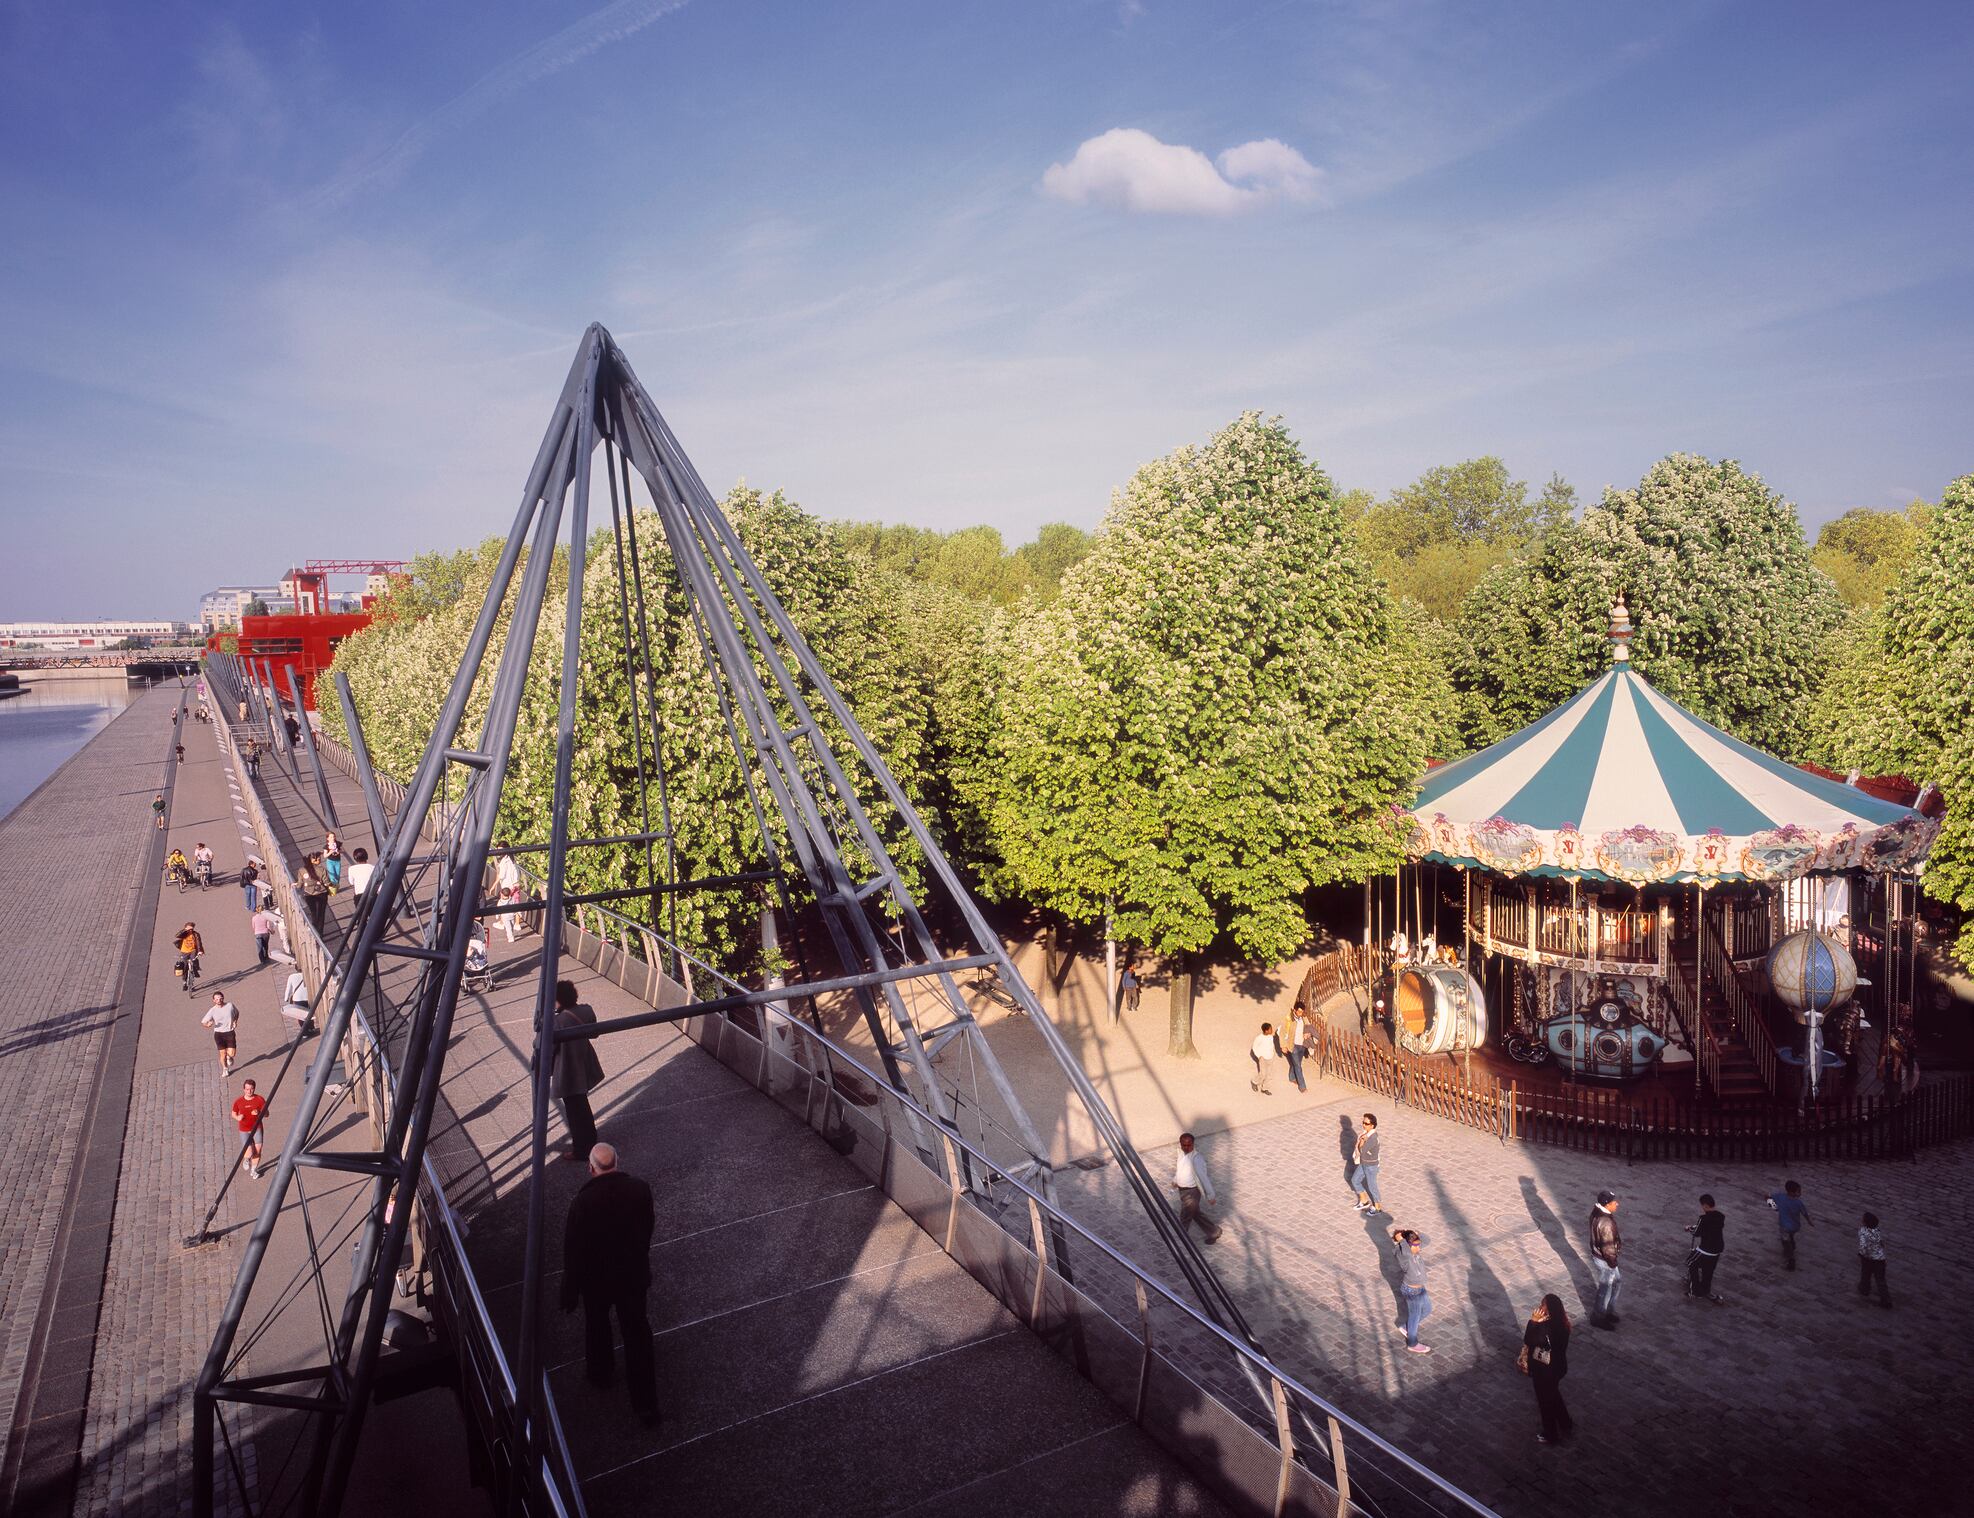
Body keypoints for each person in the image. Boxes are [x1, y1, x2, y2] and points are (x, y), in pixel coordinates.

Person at [560, 1143, 659, 1425]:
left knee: (598, 1324)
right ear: (618, 1161)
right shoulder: (640, 1189)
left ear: (590, 1168)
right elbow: (647, 1227)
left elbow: (573, 1249)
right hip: (632, 1275)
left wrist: (571, 1289)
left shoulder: (582, 1203)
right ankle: (646, 1406)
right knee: (637, 1332)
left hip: (597, 1281)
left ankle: (601, 1373)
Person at [550, 980, 605, 1161]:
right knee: (582, 1106)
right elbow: (595, 1033)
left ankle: (581, 1149)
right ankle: (590, 1140)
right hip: (583, 1063)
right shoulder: (586, 1011)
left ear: (559, 1000)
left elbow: (549, 1048)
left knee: (574, 1112)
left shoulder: (558, 1021)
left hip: (567, 1069)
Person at [1521, 1294, 1573, 1443]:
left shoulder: (1544, 1328)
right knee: (1554, 1394)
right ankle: (1565, 1422)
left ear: (1549, 1309)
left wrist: (1533, 1322)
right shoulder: (1564, 1324)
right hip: (1559, 1368)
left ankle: (1550, 1434)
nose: (1540, 1307)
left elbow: (1529, 1340)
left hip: (1544, 1371)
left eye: (1543, 1305)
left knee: (1545, 1402)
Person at [1171, 1132, 1222, 1243]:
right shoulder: (1181, 1154)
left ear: (1193, 1144)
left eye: (1189, 1145)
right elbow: (1181, 1170)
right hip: (1182, 1190)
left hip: (1192, 1192)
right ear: (1180, 1144)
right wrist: (1175, 1180)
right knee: (1194, 1213)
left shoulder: (1197, 1159)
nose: (1186, 1147)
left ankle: (1182, 1238)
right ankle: (1214, 1231)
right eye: (1184, 1145)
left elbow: (1204, 1178)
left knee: (1185, 1215)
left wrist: (1210, 1195)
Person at [1390, 1226, 1433, 1353]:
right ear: (1407, 1245)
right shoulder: (1403, 1254)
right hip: (1411, 1291)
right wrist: (1401, 1240)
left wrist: (1417, 1233)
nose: (1418, 1248)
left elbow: (1427, 1240)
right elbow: (1407, 1252)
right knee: (1415, 1316)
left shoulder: (1413, 1250)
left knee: (1427, 1309)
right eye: (1415, 1245)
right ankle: (1412, 1343)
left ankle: (1405, 1327)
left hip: (1420, 1289)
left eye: (1418, 1245)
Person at [1588, 1190, 1623, 1328]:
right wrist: (1613, 1264)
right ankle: (1598, 1316)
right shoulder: (1606, 1223)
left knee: (1616, 1282)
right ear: (1607, 1204)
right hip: (1606, 1260)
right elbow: (1608, 1247)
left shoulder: (1597, 1211)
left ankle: (1608, 1310)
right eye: (1614, 1202)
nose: (1617, 1204)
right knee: (1605, 1288)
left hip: (1601, 1257)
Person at [1685, 1194, 1726, 1302]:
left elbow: (1697, 1232)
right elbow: (1708, 1228)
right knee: (1708, 1271)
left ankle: (1695, 1291)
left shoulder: (1703, 1219)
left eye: (1702, 1205)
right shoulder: (1720, 1216)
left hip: (1706, 1249)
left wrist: (1689, 1228)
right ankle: (1705, 1290)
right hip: (1716, 1249)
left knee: (1690, 1263)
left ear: (1705, 1206)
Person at [1766, 1180, 1812, 1270]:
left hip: (1785, 1226)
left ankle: (1791, 1258)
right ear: (1791, 1192)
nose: (1800, 1193)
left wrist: (1774, 1207)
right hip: (1795, 1226)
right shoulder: (1799, 1203)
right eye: (1798, 1191)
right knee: (1790, 1235)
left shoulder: (1780, 1197)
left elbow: (1767, 1197)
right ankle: (1792, 1244)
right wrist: (1809, 1221)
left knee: (1785, 1242)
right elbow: (1804, 1213)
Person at [232, 1079, 268, 1179]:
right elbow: (233, 1113)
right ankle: (246, 1159)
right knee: (249, 1152)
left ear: (254, 1089)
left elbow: (267, 1114)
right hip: (244, 1130)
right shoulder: (239, 1101)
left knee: (258, 1150)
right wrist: (237, 1118)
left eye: (251, 1089)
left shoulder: (260, 1099)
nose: (249, 1091)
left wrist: (259, 1113)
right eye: (247, 1089)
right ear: (244, 1089)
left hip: (257, 1128)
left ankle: (253, 1170)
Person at [1856, 1211, 1892, 1308]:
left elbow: (1863, 1246)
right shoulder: (1877, 1231)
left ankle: (1864, 1289)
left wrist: (1861, 1254)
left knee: (1865, 1274)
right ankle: (1886, 1299)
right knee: (1880, 1280)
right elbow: (1881, 1242)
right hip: (1879, 1259)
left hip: (1868, 1258)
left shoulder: (1863, 1231)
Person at [1350, 1113, 1384, 1214]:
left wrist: (1362, 1142)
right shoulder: (1366, 1134)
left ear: (1372, 1125)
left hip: (1371, 1166)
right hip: (1364, 1163)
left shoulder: (1372, 1138)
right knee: (1355, 1180)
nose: (1364, 1125)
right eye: (1363, 1123)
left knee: (1372, 1186)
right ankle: (1364, 1201)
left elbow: (1362, 1150)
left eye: (1366, 1123)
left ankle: (1377, 1207)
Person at [202, 991, 240, 1073]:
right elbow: (203, 1022)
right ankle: (225, 1069)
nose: (219, 1000)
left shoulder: (230, 1006)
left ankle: (229, 1057)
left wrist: (235, 1021)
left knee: (232, 1053)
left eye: (220, 998)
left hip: (229, 1032)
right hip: (219, 1034)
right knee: (222, 1054)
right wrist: (207, 1025)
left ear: (223, 998)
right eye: (216, 999)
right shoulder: (212, 1010)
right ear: (214, 1000)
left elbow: (237, 1013)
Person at [493, 845, 524, 943]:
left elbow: (501, 875)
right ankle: (517, 924)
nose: (498, 852)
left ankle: (502, 922)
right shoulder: (513, 859)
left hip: (508, 886)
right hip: (516, 885)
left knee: (504, 903)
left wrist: (494, 885)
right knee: (516, 903)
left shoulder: (504, 862)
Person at [297, 854, 330, 933]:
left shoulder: (301, 870)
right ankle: (320, 933)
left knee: (313, 912)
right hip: (321, 893)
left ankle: (314, 930)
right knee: (321, 913)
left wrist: (296, 884)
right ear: (314, 860)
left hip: (309, 894)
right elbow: (326, 883)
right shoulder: (322, 869)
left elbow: (299, 885)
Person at [280, 970, 316, 1042]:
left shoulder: (291, 976)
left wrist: (286, 998)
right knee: (310, 1013)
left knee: (301, 1016)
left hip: (298, 998)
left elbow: (288, 988)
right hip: (308, 996)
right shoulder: (307, 973)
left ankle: (305, 1032)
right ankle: (311, 1027)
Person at [1285, 1003, 1310, 1093]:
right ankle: (1302, 1086)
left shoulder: (1303, 1018)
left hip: (1302, 1045)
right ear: (1295, 1010)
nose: (1300, 1013)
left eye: (1302, 1012)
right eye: (1299, 1011)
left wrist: (1308, 1033)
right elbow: (1283, 1032)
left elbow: (1308, 1026)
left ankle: (1292, 1077)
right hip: (1293, 1045)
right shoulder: (1289, 1019)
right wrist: (1283, 1045)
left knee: (1297, 1063)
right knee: (1298, 1066)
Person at [1250, 1021, 1278, 1095]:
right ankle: (1254, 1082)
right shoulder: (1259, 1038)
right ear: (1266, 1031)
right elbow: (1254, 1047)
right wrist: (1259, 1056)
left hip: (1270, 1057)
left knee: (1269, 1074)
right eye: (1270, 1029)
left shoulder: (1271, 1036)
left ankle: (1265, 1088)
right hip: (1263, 1058)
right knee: (1262, 1074)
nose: (1271, 1030)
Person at [174, 922, 204, 990]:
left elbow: (199, 943)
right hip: (184, 951)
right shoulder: (184, 933)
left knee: (194, 960)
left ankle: (195, 971)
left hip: (193, 950)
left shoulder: (196, 934)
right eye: (189, 929)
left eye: (192, 929)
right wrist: (185, 930)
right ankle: (184, 982)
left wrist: (200, 951)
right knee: (184, 967)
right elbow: (177, 936)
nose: (190, 930)